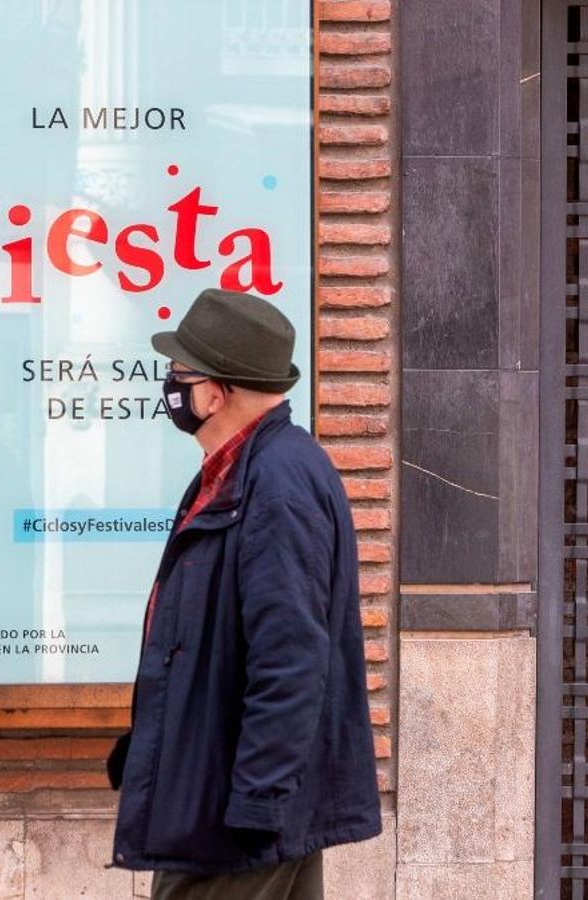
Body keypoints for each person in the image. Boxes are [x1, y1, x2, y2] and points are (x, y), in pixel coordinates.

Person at [108, 288, 382, 899]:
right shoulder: (243, 470)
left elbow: (291, 660)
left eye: (179, 372)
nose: (171, 386)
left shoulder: (277, 482)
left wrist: (258, 800)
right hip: (225, 795)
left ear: (214, 391)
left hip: (234, 817)